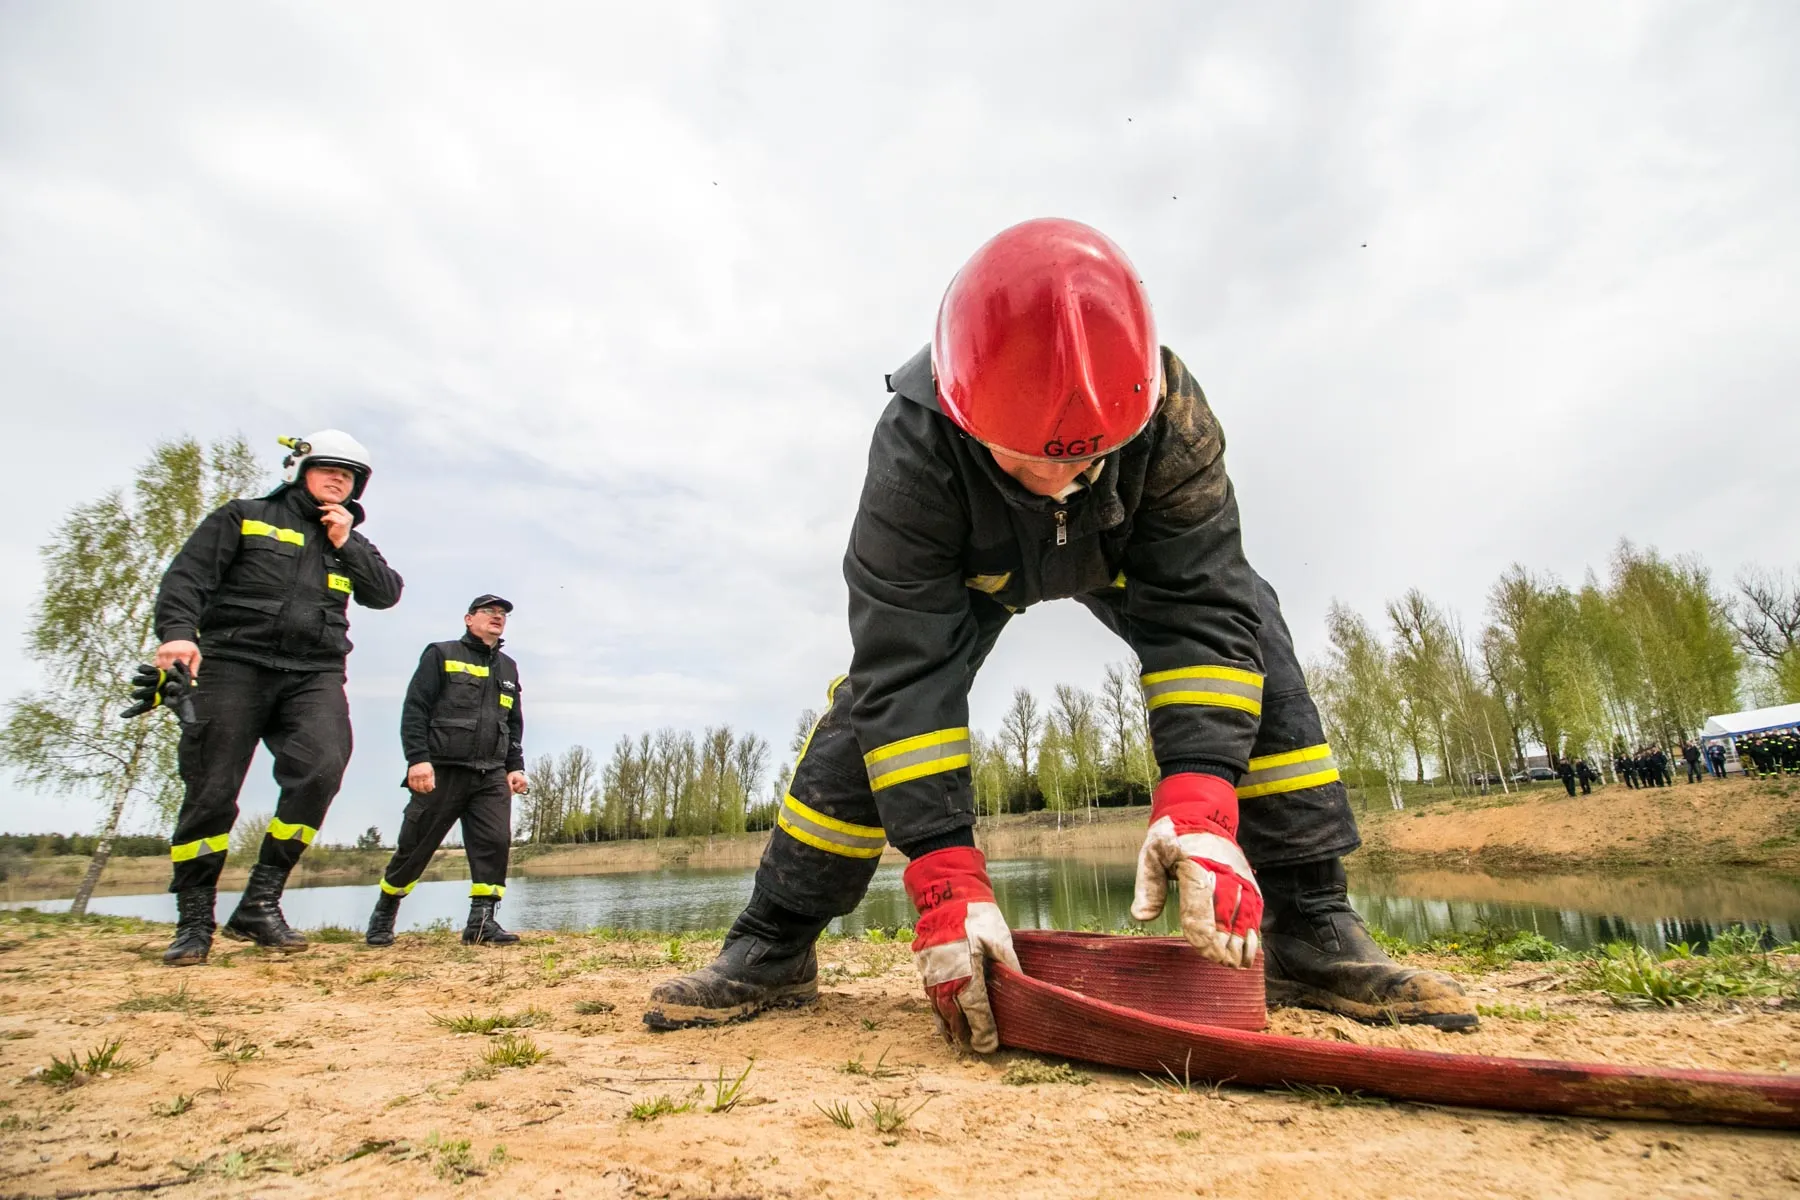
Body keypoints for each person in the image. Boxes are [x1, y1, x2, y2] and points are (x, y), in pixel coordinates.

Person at [643, 219, 1476, 1048]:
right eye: (1023, 455)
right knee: (872, 714)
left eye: (1082, 458)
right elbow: (908, 671)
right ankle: (773, 940)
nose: (1054, 481)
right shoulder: (912, 452)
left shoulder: (1173, 417)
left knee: (1255, 635)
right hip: (978, 571)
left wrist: (1201, 804)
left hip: (1123, 554)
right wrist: (943, 878)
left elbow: (1202, 611)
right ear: (964, 410)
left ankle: (1312, 927)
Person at [144, 432, 403, 966]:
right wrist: (177, 634)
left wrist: (346, 542)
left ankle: (261, 902)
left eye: (350, 476)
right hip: (233, 664)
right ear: (298, 468)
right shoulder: (244, 516)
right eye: (329, 469)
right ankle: (195, 921)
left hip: (313, 673)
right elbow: (187, 579)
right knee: (212, 790)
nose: (339, 481)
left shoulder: (348, 538)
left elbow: (386, 593)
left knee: (321, 770)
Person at [365, 596, 529, 947]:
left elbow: (513, 724)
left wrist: (515, 767)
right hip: (442, 771)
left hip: (491, 775)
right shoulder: (441, 654)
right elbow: (416, 708)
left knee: (495, 844)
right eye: (489, 612)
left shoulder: (509, 668)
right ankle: (384, 914)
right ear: (469, 619)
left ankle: (482, 922)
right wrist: (417, 759)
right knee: (416, 844)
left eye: (502, 615)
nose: (497, 618)